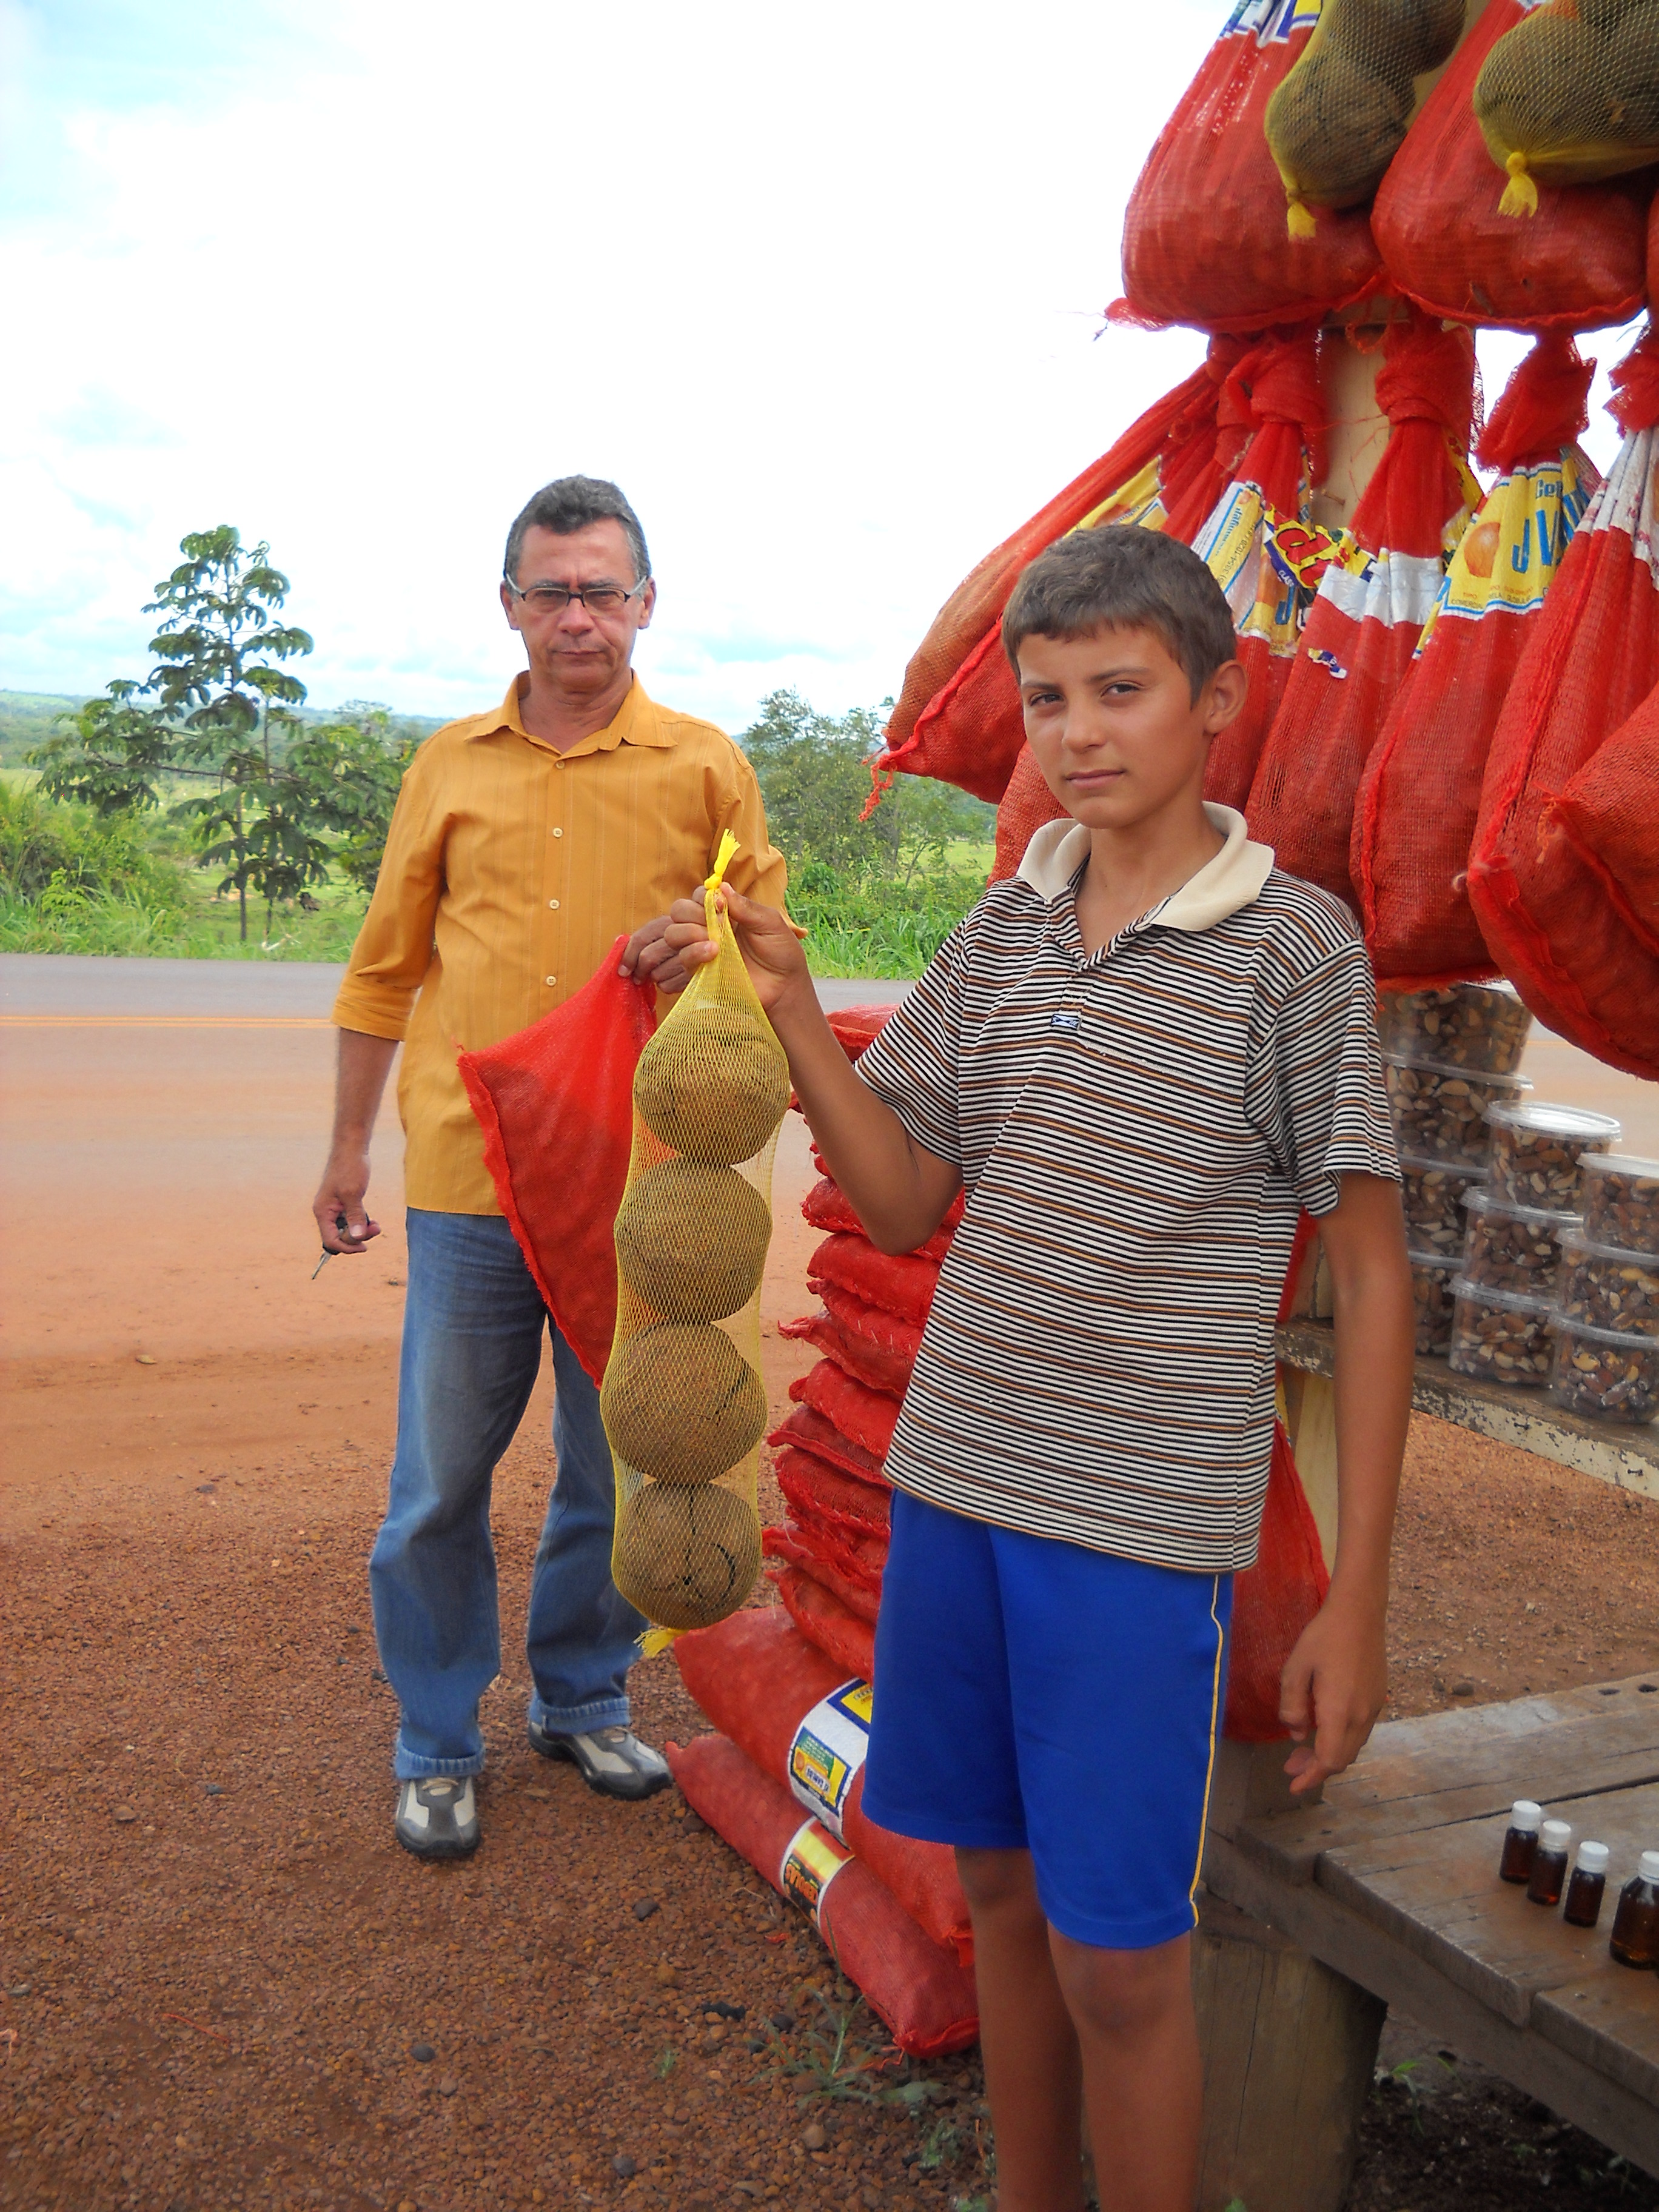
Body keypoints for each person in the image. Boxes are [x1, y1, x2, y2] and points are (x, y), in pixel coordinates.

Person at [660, 526, 1413, 2212]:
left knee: (1125, 1961)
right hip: (954, 1494)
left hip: (1136, 1538)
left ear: (1218, 700)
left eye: (1120, 692)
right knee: (998, 1894)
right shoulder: (1009, 928)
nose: (1078, 732)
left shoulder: (1294, 954)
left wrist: (1356, 1597)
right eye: (1048, 697)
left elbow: (1369, 1280)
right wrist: (791, 1008)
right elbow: (901, 1192)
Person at [312, 475, 787, 1860]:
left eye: (603, 589)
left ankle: (580, 1695)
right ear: (510, 606)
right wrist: (348, 1147)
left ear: (647, 603)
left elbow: (767, 939)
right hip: (466, 1182)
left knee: (618, 1465)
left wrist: (702, 937)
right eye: (551, 590)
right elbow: (386, 967)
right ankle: (437, 1737)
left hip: (646, 1188)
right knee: (437, 1486)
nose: (578, 615)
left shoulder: (704, 765)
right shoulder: (449, 764)